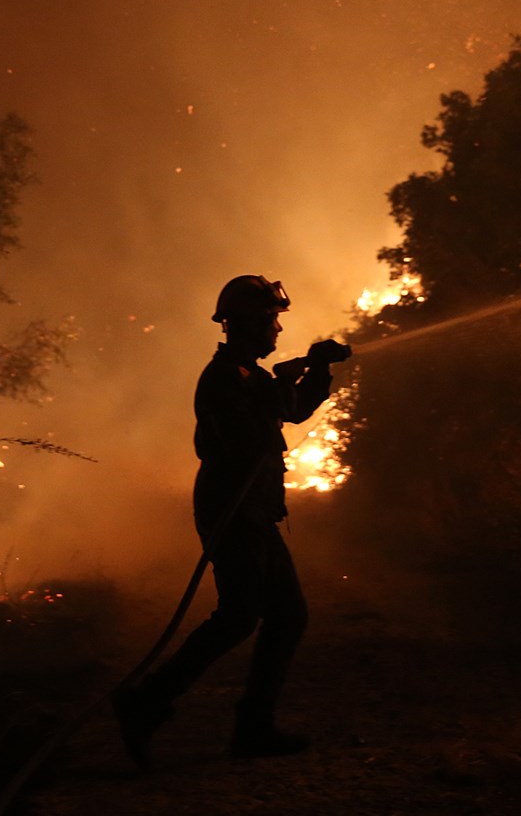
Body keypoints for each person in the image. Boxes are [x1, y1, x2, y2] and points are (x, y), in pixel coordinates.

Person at [112, 275, 348, 767]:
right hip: (232, 509)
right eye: (273, 319)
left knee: (285, 615)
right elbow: (244, 439)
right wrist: (281, 384)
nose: (279, 329)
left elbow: (295, 410)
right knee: (241, 616)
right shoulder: (223, 377)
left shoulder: (250, 375)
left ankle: (250, 726)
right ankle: (146, 703)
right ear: (252, 322)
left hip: (253, 510)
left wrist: (317, 370)